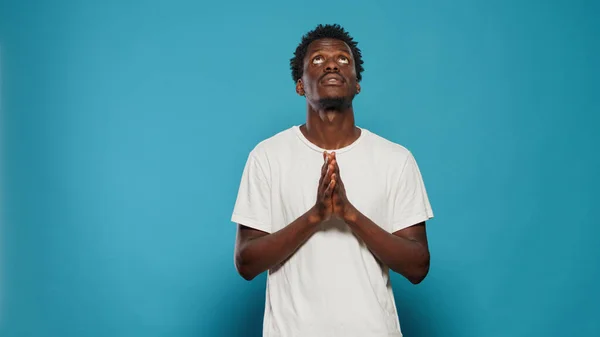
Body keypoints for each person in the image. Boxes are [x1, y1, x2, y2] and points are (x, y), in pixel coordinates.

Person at [231, 23, 434, 337]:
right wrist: (315, 216)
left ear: (357, 84)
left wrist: (349, 214)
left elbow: (418, 265)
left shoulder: (396, 159)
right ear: (300, 85)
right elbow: (246, 263)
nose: (330, 64)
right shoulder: (267, 156)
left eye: (343, 59)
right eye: (317, 60)